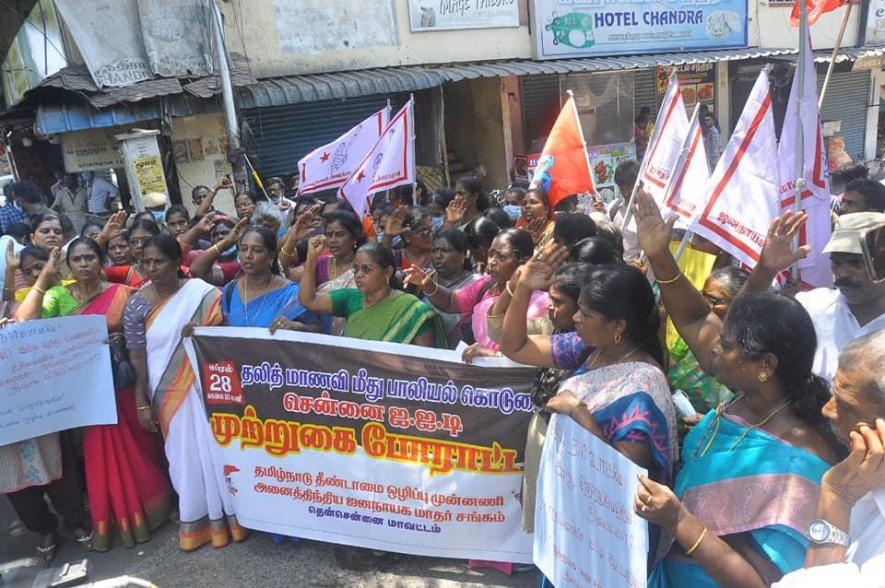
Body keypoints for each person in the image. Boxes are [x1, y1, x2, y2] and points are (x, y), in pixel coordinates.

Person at [632, 190, 843, 586]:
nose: (714, 350)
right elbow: (694, 320)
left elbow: (761, 582)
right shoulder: (744, 399)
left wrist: (679, 520)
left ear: (765, 365)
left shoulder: (799, 461)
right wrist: (660, 256)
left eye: (726, 345)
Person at [16, 239, 171, 552]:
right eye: (77, 259)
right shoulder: (58, 296)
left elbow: (144, 335)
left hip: (122, 386)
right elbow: (25, 321)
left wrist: (120, 337)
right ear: (68, 265)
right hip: (87, 395)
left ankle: (156, 507)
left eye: (90, 257)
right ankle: (120, 517)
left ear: (101, 261)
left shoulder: (122, 293)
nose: (84, 263)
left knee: (140, 446)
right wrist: (46, 274)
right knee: (101, 455)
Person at [546, 264, 678, 563]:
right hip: (574, 517)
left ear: (618, 326)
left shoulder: (643, 384)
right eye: (578, 309)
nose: (576, 318)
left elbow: (627, 473)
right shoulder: (596, 353)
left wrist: (579, 412)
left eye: (586, 314)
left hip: (609, 538)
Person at [125, 234, 245, 551]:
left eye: (159, 261)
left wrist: (201, 333)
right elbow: (136, 356)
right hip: (166, 391)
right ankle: (197, 521)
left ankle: (235, 517)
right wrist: (141, 401)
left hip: (206, 387)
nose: (152, 268)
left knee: (218, 450)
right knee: (182, 456)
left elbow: (225, 338)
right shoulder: (136, 304)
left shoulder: (201, 294)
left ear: (176, 262)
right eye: (147, 262)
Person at [774, 332, 885, 586]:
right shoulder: (865, 476)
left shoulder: (846, 487)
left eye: (846, 406)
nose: (827, 410)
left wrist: (836, 498)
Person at [748, 211, 885, 382]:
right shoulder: (810, 306)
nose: (842, 273)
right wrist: (765, 270)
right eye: (836, 262)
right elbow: (743, 327)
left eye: (855, 263)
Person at [408, 228, 547, 359]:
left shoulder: (541, 303)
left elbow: (535, 353)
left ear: (524, 262)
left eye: (501, 257)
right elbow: (450, 301)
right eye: (491, 254)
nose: (492, 262)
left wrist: (492, 355)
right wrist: (427, 283)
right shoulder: (485, 285)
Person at [300, 239, 447, 347]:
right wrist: (312, 257)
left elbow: (425, 360)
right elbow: (308, 301)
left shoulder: (412, 309)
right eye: (356, 269)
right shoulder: (350, 298)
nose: (358, 275)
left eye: (366, 269)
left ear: (387, 272)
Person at [668, 266, 749, 416]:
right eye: (702, 296)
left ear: (737, 304)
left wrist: (706, 422)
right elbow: (670, 366)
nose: (705, 304)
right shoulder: (697, 330)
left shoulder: (748, 353)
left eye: (713, 300)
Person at [220, 225, 320, 333]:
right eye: (243, 249)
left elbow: (316, 330)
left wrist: (294, 327)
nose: (248, 255)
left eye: (257, 250)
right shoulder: (230, 290)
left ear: (271, 257)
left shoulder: (291, 294)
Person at [427, 228, 483, 346]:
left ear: (464, 254)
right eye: (434, 250)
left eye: (445, 250)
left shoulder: (476, 285)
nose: (438, 256)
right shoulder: (423, 280)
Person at [188, 217, 248, 286]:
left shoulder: (243, 260)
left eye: (224, 233)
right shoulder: (208, 258)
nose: (219, 237)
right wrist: (226, 242)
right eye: (215, 235)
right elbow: (196, 270)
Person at [104, 217, 162, 289]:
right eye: (133, 241)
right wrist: (102, 237)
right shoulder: (128, 273)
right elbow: (93, 272)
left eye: (145, 240)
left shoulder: (171, 268)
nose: (139, 245)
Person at [606, 160, 641, 261]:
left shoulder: (649, 211)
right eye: (621, 185)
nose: (624, 189)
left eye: (628, 184)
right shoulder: (613, 208)